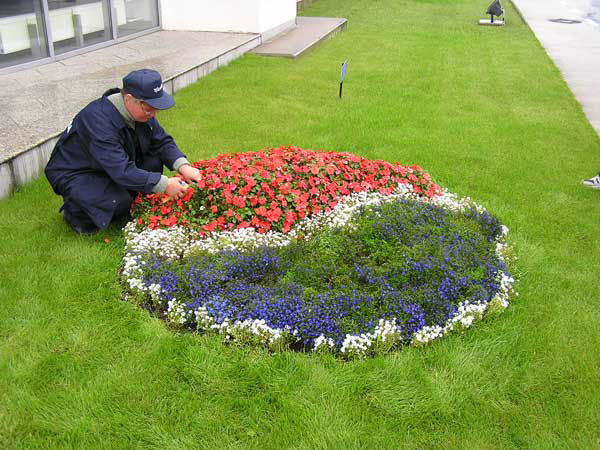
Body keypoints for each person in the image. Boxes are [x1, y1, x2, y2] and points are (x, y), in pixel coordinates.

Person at [45, 68, 201, 234]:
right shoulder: (98, 122)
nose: (153, 114)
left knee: (153, 162)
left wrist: (183, 166)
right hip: (76, 172)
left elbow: (162, 141)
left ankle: (120, 195)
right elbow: (121, 170)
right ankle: (77, 214)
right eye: (149, 109)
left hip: (106, 164)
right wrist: (164, 184)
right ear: (129, 99)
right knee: (119, 202)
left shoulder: (140, 112)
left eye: (156, 108)